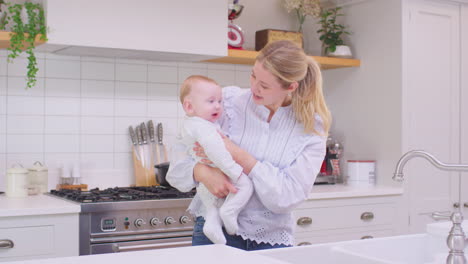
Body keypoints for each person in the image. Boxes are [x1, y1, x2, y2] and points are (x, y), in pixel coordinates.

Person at [167, 40, 331, 251]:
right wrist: (201, 172)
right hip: (214, 234)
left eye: (264, 85)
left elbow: (287, 197)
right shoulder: (227, 102)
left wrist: (237, 154)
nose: (254, 87)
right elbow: (179, 165)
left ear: (291, 86)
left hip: (271, 242)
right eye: (253, 75)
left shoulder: (311, 128)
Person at [176, 75, 254, 244]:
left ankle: (212, 223)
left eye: (219, 101)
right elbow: (216, 151)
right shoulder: (203, 127)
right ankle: (230, 211)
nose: (218, 106)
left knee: (212, 204)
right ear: (189, 106)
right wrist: (233, 169)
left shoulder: (196, 123)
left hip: (208, 179)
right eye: (211, 101)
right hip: (220, 170)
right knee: (246, 185)